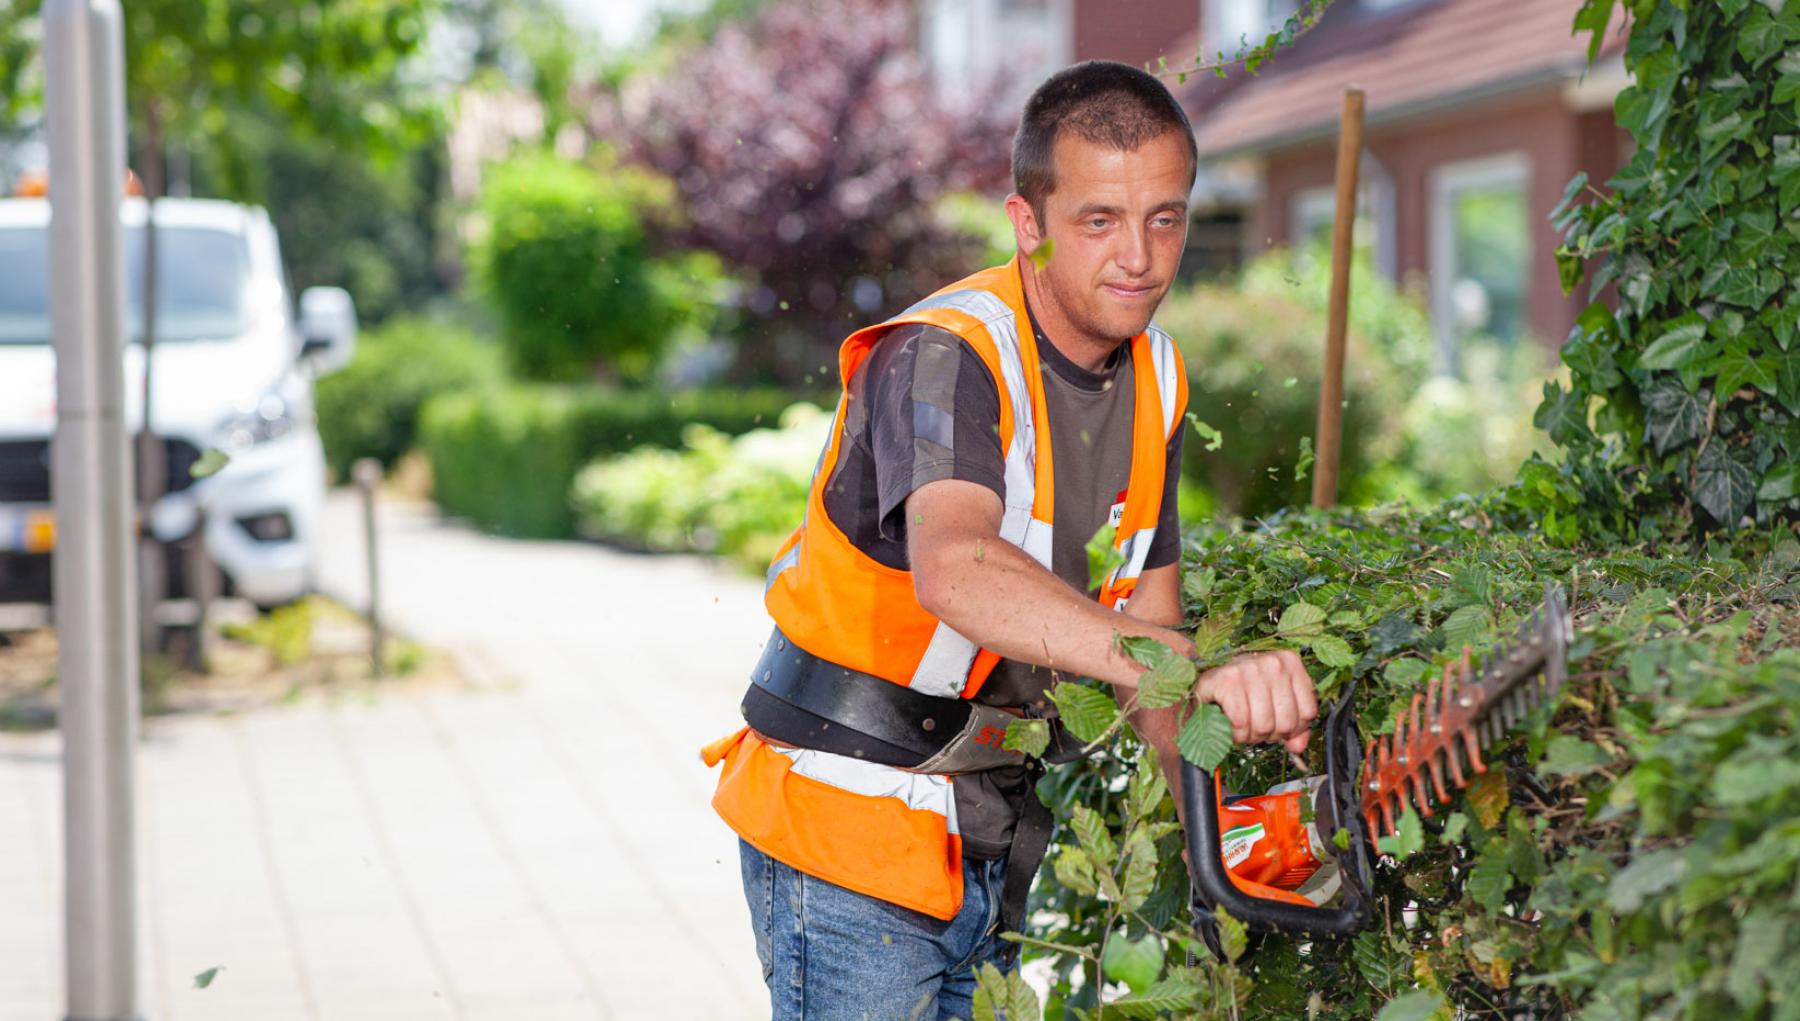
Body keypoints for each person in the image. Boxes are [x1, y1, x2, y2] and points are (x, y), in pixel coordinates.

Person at [702, 60, 1320, 1021]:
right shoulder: (946, 354)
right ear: (1028, 223)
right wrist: (1185, 663)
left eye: (1166, 217)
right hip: (849, 820)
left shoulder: (1154, 372)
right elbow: (957, 567)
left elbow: (1148, 627)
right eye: (1099, 220)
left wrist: (1218, 835)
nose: (1140, 258)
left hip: (983, 829)